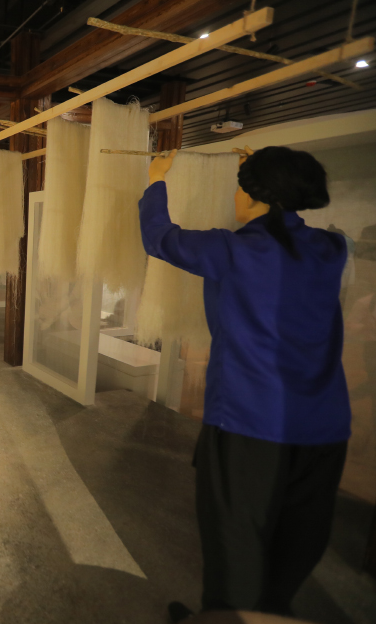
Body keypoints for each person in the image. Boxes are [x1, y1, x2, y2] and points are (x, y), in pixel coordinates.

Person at [138, 147, 351, 621]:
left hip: (249, 424)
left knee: (236, 553)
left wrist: (156, 178)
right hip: (325, 429)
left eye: (241, 188)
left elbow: (159, 237)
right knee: (295, 547)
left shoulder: (231, 250)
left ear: (256, 197)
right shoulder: (331, 250)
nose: (234, 197)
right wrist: (269, 174)